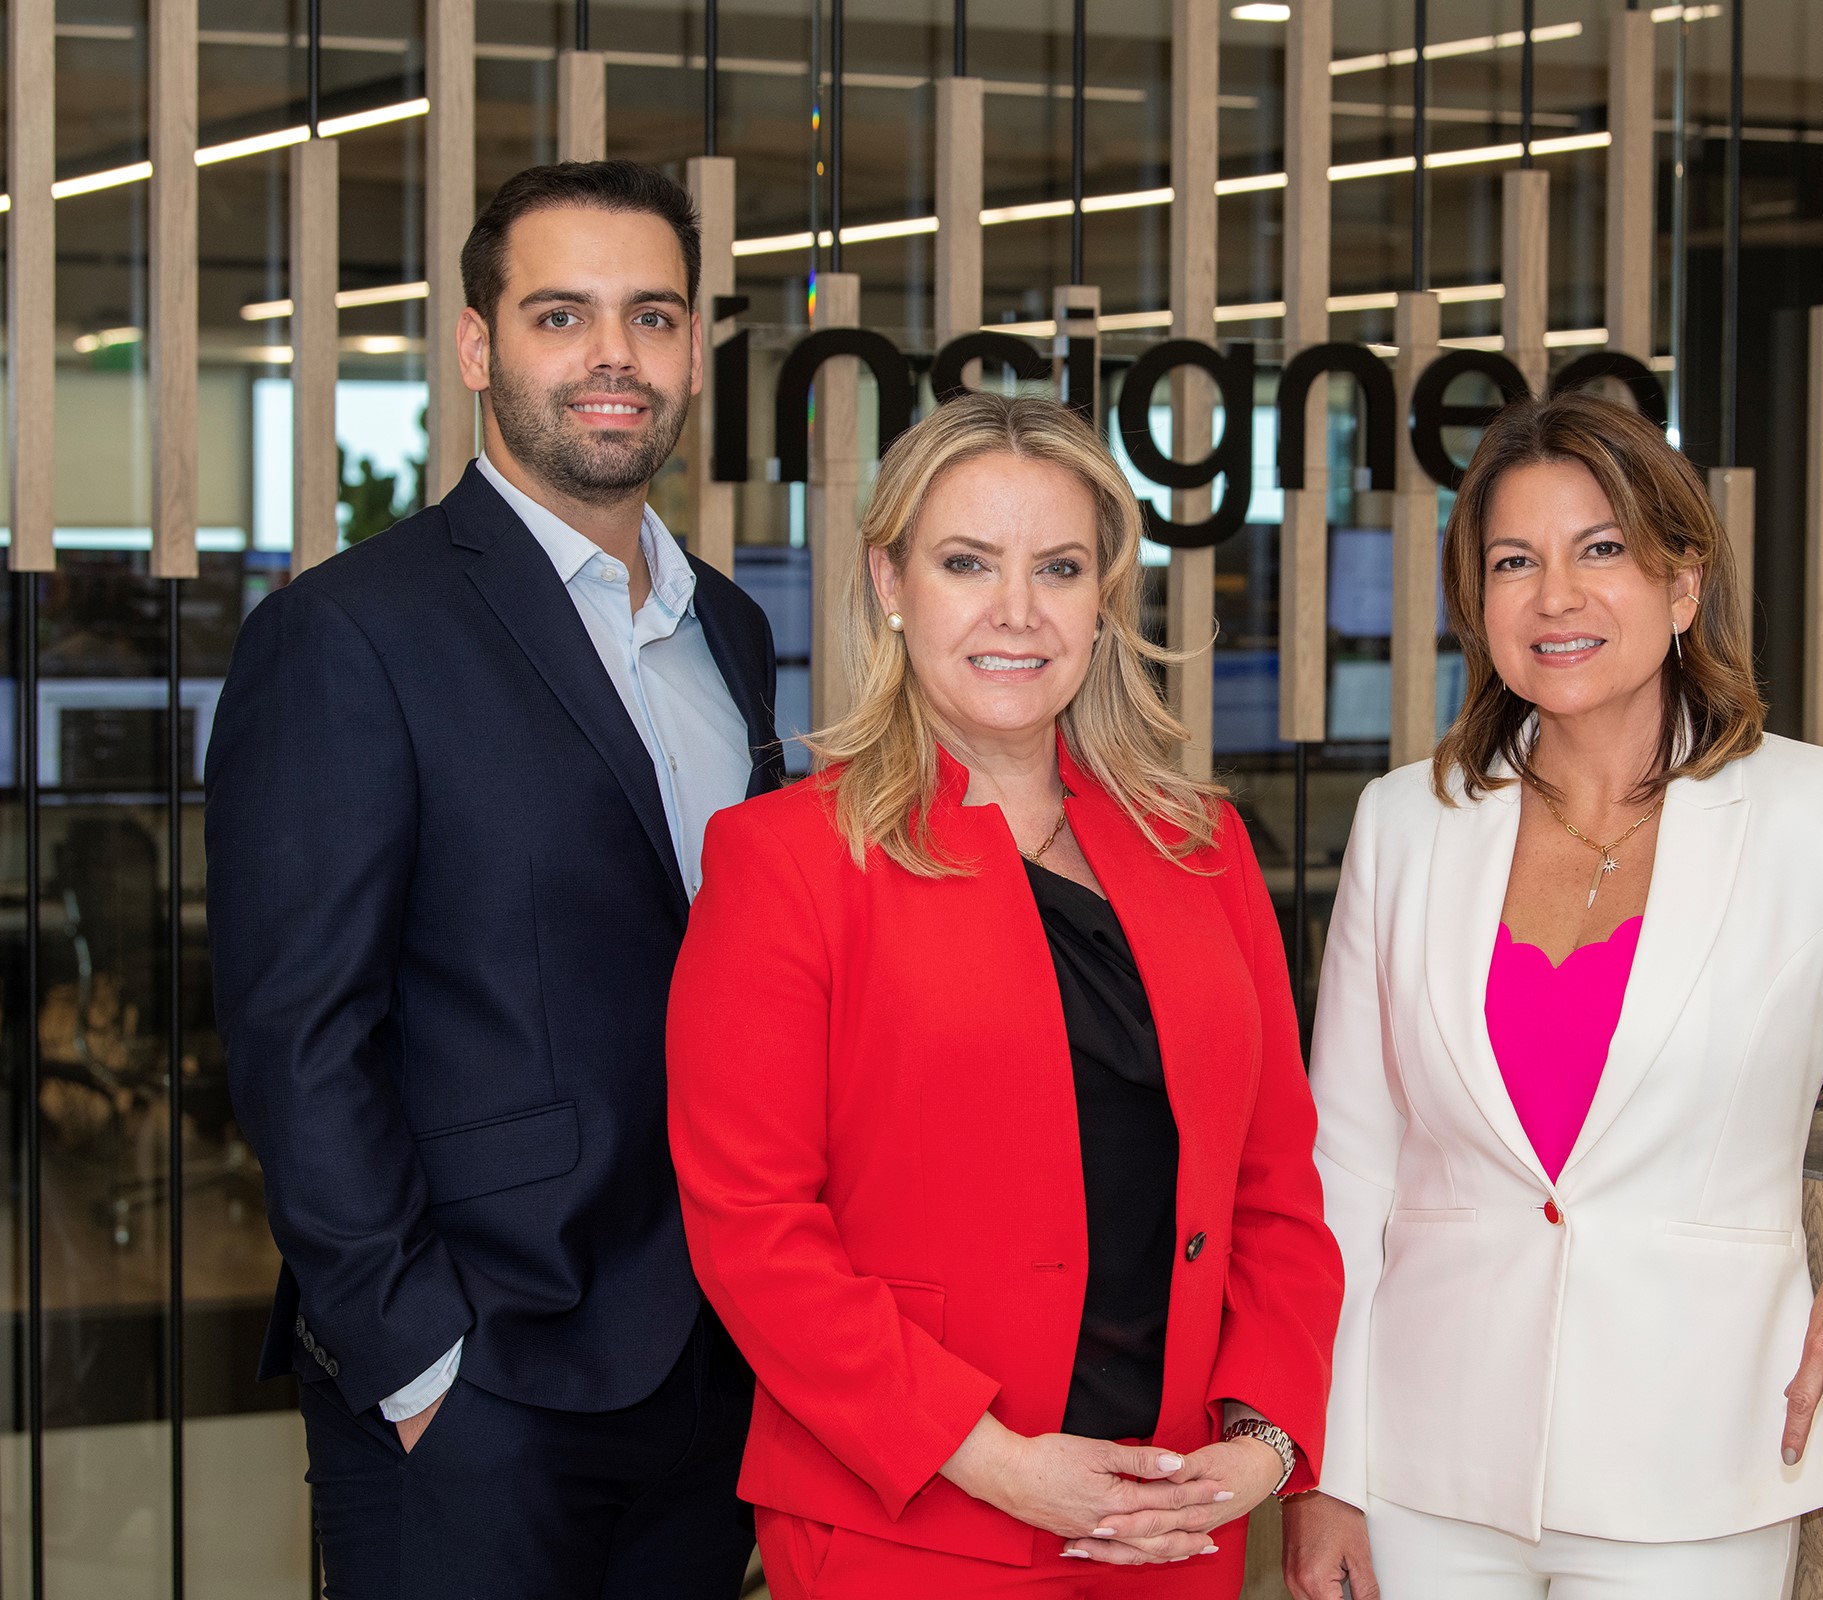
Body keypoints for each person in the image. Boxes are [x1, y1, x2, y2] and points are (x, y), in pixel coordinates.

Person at [1283, 390, 1823, 1600]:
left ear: (1681, 587)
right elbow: (1347, 1172)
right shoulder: (1405, 822)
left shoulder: (1819, 817)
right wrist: (1325, 1473)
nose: (1555, 596)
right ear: (1478, 605)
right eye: (1515, 561)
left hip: (1693, 1475)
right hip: (1422, 1466)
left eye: (1601, 549)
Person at [207, 161, 784, 1599]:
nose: (614, 355)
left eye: (653, 316)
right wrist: (417, 1361)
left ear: (692, 352)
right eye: (560, 315)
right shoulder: (349, 633)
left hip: (715, 1364)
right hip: (485, 1375)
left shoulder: (727, 628)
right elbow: (298, 1035)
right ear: (477, 348)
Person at [665, 392, 1342, 1596]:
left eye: (1060, 568)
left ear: (1104, 598)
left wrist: (1262, 1442)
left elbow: (1276, 1185)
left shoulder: (1203, 847)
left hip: (1172, 1520)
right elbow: (754, 1231)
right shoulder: (785, 859)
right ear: (890, 580)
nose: (1017, 610)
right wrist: (993, 1460)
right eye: (967, 563)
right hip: (913, 1521)